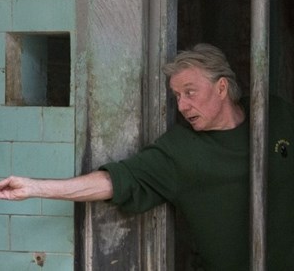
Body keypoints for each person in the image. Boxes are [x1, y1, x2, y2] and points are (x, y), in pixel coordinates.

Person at [86, 33, 294, 262]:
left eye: (190, 92)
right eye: (177, 96)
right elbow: (118, 180)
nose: (182, 106)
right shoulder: (181, 148)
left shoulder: (273, 112)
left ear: (221, 88)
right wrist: (40, 188)